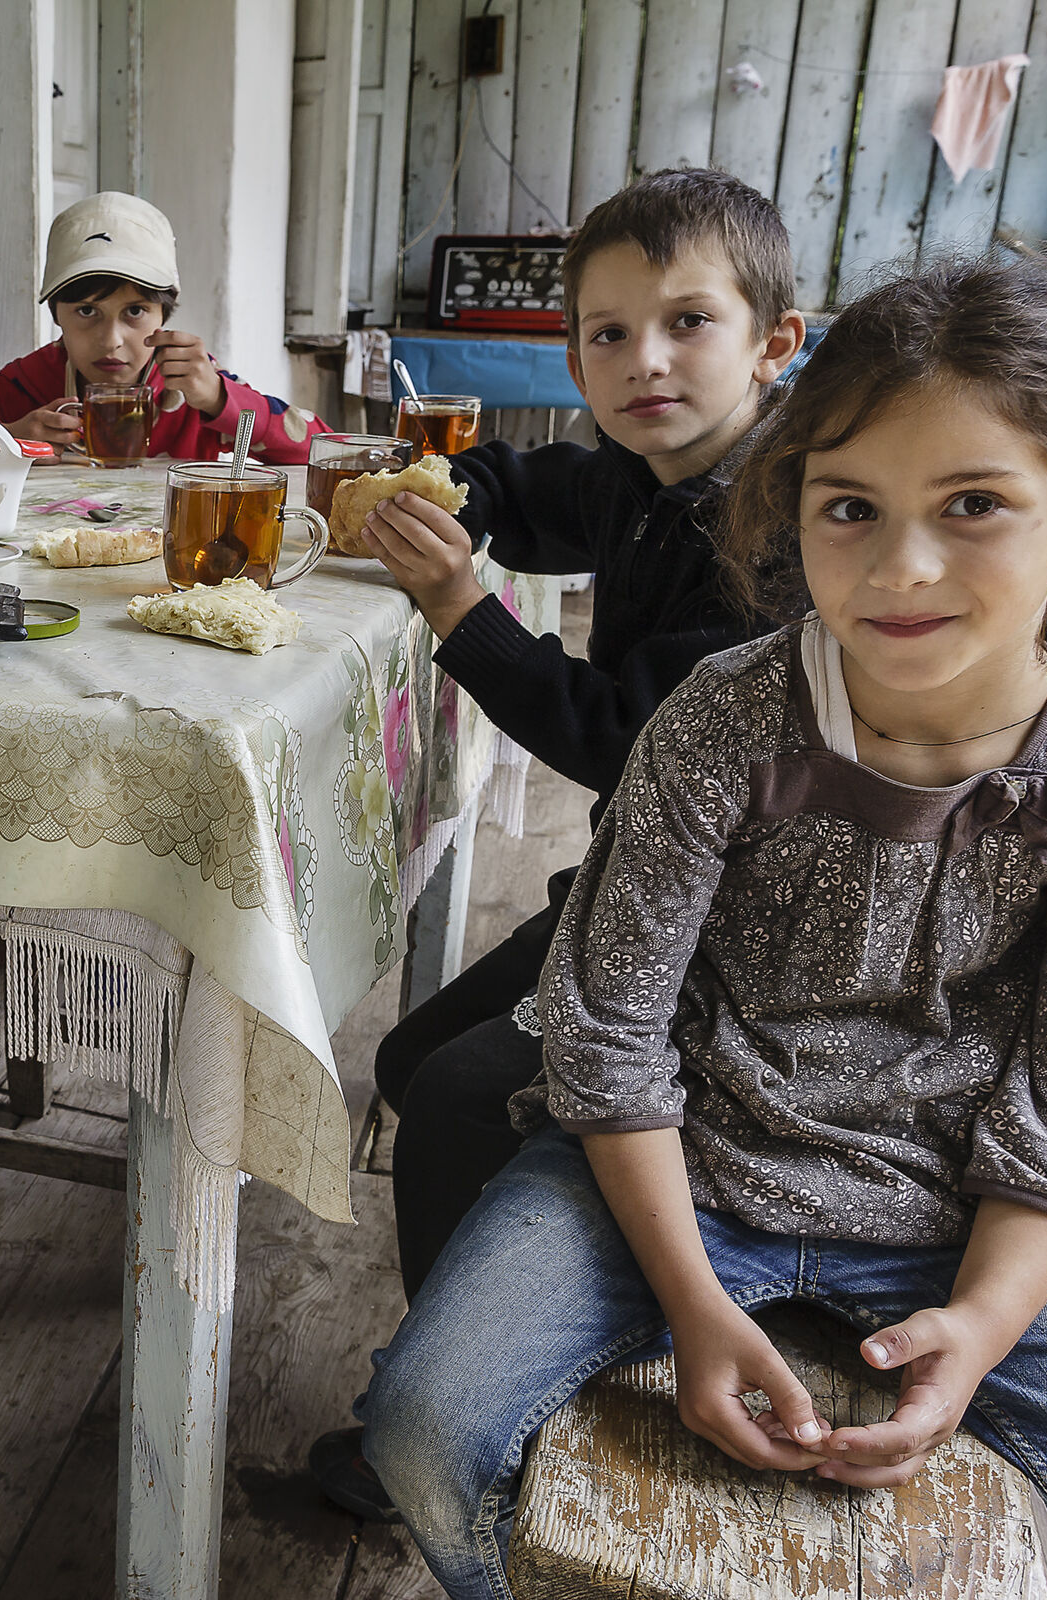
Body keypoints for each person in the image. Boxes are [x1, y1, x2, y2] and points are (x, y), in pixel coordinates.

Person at [350, 254, 1047, 1597]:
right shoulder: (722, 722)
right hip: (685, 1163)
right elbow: (607, 1032)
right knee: (420, 1428)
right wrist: (692, 1301)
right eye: (849, 506)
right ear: (791, 509)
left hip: (963, 1205)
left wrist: (976, 1330)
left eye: (975, 504)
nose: (901, 566)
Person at [350, 169, 805, 1315]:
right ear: (577, 367)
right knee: (408, 1063)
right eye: (611, 333)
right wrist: (443, 498)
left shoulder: (780, 535)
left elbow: (627, 742)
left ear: (775, 344)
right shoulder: (636, 473)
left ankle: (455, 1406)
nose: (646, 359)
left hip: (734, 932)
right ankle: (542, 1263)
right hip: (635, 882)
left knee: (454, 1099)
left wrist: (462, 610)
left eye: (688, 322)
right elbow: (513, 482)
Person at [0, 190, 318, 463]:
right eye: (86, 311)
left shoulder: (194, 386)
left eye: (135, 311)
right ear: (56, 314)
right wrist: (6, 435)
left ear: (165, 316)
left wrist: (222, 400)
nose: (111, 340)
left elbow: (326, 450)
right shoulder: (31, 385)